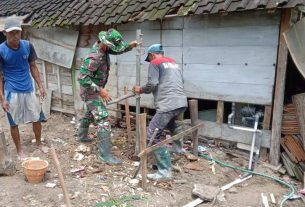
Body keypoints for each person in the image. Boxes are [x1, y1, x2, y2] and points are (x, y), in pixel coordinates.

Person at [78, 28, 140, 165]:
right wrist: (100, 90)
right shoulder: (95, 57)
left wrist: (130, 45)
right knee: (103, 118)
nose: (113, 49)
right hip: (89, 91)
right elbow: (82, 78)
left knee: (91, 112)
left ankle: (81, 136)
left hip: (94, 89)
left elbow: (117, 50)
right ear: (106, 44)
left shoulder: (103, 47)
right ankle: (105, 155)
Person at [133, 44, 187, 181]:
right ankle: (177, 149)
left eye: (149, 58)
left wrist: (140, 89)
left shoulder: (155, 63)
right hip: (181, 101)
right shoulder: (173, 63)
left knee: (152, 134)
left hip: (167, 104)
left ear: (151, 55)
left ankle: (164, 171)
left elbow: (152, 83)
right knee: (172, 125)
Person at [0, 18, 46, 160]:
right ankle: (20, 151)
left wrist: (40, 85)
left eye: (18, 32)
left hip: (28, 89)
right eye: (12, 33)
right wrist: (2, 99)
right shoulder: (1, 50)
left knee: (37, 117)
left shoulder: (27, 46)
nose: (15, 36)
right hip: (11, 91)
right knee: (14, 123)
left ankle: (38, 143)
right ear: (4, 33)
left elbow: (33, 66)